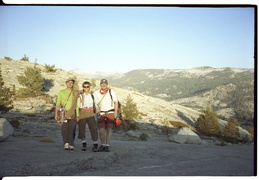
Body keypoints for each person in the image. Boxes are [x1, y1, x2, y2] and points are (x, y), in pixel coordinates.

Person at [55, 78, 79, 150]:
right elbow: (58, 103)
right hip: (63, 113)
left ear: (73, 84)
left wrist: (77, 115)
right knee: (64, 129)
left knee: (72, 128)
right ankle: (66, 143)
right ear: (66, 83)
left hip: (73, 113)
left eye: (71, 82)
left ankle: (71, 143)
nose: (70, 84)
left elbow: (77, 105)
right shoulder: (61, 92)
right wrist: (56, 114)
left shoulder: (75, 93)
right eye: (68, 82)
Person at [94, 79, 118, 152]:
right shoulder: (96, 93)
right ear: (100, 84)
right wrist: (96, 109)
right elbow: (95, 104)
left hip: (110, 112)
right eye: (102, 84)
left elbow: (116, 102)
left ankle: (107, 145)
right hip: (101, 113)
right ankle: (102, 144)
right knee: (101, 130)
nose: (103, 85)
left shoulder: (111, 92)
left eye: (105, 84)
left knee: (109, 129)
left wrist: (115, 112)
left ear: (107, 85)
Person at [77, 81, 98, 152]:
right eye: (84, 86)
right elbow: (80, 105)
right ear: (83, 87)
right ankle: (84, 143)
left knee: (93, 128)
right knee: (81, 128)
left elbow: (96, 103)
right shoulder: (80, 95)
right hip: (82, 111)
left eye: (87, 86)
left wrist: (95, 112)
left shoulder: (92, 95)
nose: (86, 88)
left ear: (89, 87)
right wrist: (82, 96)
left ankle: (95, 143)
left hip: (90, 112)